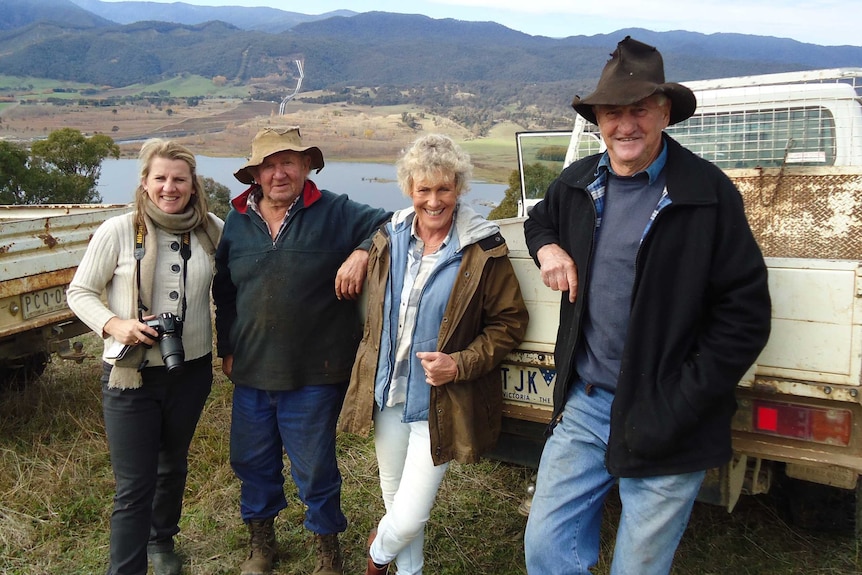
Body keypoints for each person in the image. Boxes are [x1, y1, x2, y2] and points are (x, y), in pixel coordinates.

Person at [522, 36, 772, 574]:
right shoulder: (579, 182)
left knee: (638, 567)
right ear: (598, 120)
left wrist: (684, 403)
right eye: (613, 112)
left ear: (663, 113)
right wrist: (547, 248)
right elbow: (537, 220)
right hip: (586, 404)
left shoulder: (706, 194)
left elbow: (744, 317)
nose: (625, 125)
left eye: (639, 110)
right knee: (545, 548)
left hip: (669, 409)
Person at [338, 133, 529, 575]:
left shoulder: (483, 247)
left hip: (440, 402)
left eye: (444, 188)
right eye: (423, 189)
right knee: (394, 498)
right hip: (389, 395)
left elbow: (509, 323)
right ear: (409, 189)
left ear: (459, 188)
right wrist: (359, 252)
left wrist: (459, 364)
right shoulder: (389, 237)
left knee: (410, 515)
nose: (433, 200)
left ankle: (378, 553)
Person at [212, 126, 391, 575]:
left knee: (314, 468)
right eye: (268, 165)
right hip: (252, 368)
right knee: (252, 461)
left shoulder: (335, 210)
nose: (278, 173)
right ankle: (261, 544)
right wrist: (227, 348)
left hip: (315, 369)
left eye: (288, 162)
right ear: (254, 174)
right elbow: (226, 291)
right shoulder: (237, 220)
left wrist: (363, 251)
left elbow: (394, 222)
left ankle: (327, 550)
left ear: (307, 165)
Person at [67, 139, 223, 575]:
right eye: (161, 178)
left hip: (190, 371)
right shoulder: (118, 230)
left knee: (172, 466)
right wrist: (116, 325)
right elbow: (79, 292)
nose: (169, 187)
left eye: (179, 179)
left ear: (193, 185)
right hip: (130, 375)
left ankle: (162, 543)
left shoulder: (211, 229)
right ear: (145, 181)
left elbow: (228, 293)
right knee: (134, 486)